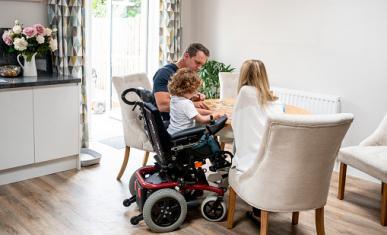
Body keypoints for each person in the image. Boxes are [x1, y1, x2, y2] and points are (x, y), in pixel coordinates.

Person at [231, 59, 284, 173]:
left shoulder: (245, 91)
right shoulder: (274, 100)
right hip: (272, 156)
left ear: (244, 75)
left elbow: (235, 122)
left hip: (251, 159)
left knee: (236, 142)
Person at [153, 43, 211, 120]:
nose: (199, 68)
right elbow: (163, 106)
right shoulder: (164, 73)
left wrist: (193, 96)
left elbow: (177, 97)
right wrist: (192, 105)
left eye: (202, 65)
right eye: (197, 62)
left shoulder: (186, 75)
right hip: (169, 124)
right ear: (186, 56)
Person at [167, 68, 223, 135]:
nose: (195, 92)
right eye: (195, 90)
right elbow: (202, 120)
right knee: (208, 132)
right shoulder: (186, 103)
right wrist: (214, 115)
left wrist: (211, 112)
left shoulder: (174, 99)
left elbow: (194, 111)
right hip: (183, 136)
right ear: (189, 89)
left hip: (172, 133)